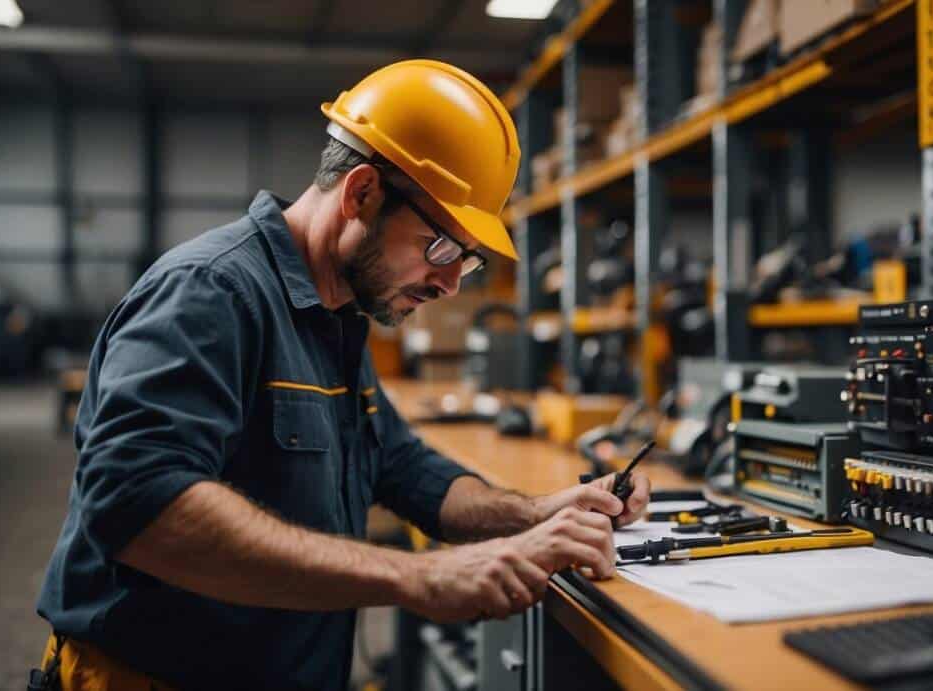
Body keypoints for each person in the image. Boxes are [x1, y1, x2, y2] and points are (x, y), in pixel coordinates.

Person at [34, 59, 650, 691]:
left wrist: (540, 512)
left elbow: (400, 468)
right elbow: (135, 504)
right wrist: (421, 577)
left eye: (466, 261)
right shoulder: (210, 293)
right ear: (361, 194)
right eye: (442, 248)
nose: (448, 282)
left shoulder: (336, 312)